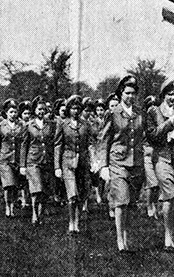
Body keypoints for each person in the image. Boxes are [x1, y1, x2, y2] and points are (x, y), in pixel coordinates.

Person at [99, 76, 145, 253]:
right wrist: (104, 166)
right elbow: (104, 141)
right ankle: (120, 239)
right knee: (121, 200)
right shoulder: (113, 113)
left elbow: (145, 135)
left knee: (130, 203)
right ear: (120, 93)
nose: (130, 96)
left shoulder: (140, 113)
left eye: (133, 93)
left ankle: (126, 236)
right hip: (118, 162)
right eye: (127, 93)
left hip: (136, 163)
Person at [146, 79, 174, 252]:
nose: (172, 98)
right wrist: (170, 125)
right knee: (169, 195)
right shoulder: (154, 111)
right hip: (162, 158)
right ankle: (167, 236)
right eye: (169, 94)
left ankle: (171, 233)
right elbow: (153, 135)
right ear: (163, 95)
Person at [55, 95, 91, 234]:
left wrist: (93, 160)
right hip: (67, 162)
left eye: (77, 108)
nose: (75, 111)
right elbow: (58, 145)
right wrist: (57, 167)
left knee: (82, 193)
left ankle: (77, 221)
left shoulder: (85, 124)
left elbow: (90, 143)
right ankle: (71, 222)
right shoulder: (63, 124)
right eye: (72, 108)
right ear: (68, 109)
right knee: (72, 194)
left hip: (82, 163)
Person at [21, 98, 55, 224]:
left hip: (46, 160)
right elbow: (24, 145)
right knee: (37, 189)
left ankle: (41, 213)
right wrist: (22, 165)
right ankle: (34, 214)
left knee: (45, 190)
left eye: (43, 109)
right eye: (39, 109)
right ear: (34, 110)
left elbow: (52, 142)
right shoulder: (29, 126)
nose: (41, 111)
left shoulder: (51, 124)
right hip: (33, 160)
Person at [0, 98, 24, 217]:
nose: (13, 114)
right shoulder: (0, 126)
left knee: (15, 185)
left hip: (16, 159)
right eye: (11, 112)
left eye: (15, 112)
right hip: (4, 159)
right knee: (8, 185)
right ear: (6, 113)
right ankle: (8, 206)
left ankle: (12, 206)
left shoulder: (21, 125)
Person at [142, 95, 159, 219]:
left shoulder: (159, 120)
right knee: (151, 182)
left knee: (158, 183)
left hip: (157, 154)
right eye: (150, 106)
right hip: (146, 153)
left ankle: (154, 205)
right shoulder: (142, 121)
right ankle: (148, 205)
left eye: (154, 106)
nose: (152, 108)